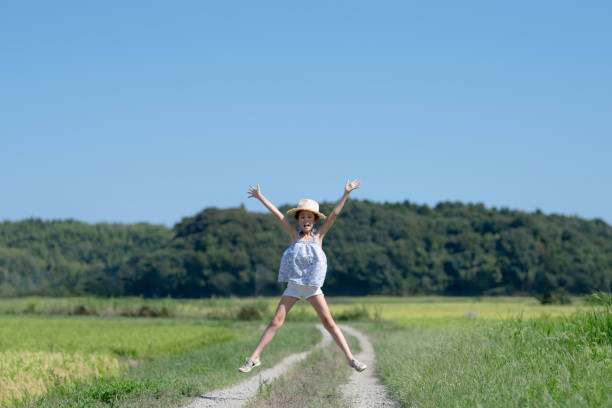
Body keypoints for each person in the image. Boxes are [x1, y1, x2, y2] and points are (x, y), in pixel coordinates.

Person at [238, 179, 367, 373]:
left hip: (313, 287)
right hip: (295, 286)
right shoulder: (294, 235)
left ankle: (351, 358)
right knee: (276, 321)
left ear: (315, 220)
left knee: (329, 323)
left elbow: (334, 214)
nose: (306, 220)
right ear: (298, 220)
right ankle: (254, 358)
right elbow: (278, 215)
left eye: (309, 217)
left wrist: (346, 193)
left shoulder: (319, 236)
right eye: (302, 217)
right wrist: (260, 197)